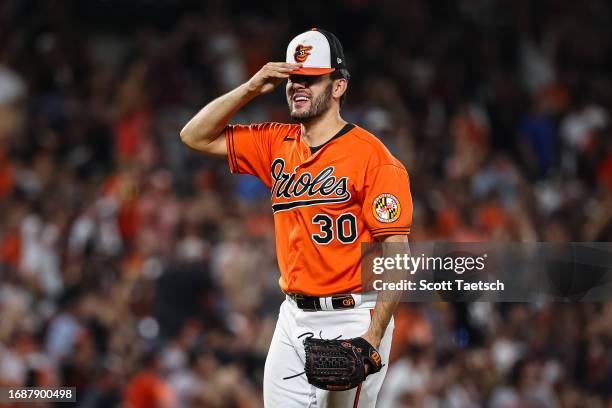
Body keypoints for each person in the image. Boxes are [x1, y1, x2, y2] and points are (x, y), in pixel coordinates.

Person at [180, 28, 412, 407]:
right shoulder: (277, 142)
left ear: (338, 87)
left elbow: (398, 256)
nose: (297, 86)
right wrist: (251, 87)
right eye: (292, 78)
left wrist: (373, 335)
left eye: (310, 79)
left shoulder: (374, 158)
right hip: (292, 317)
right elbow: (194, 135)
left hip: (353, 316)